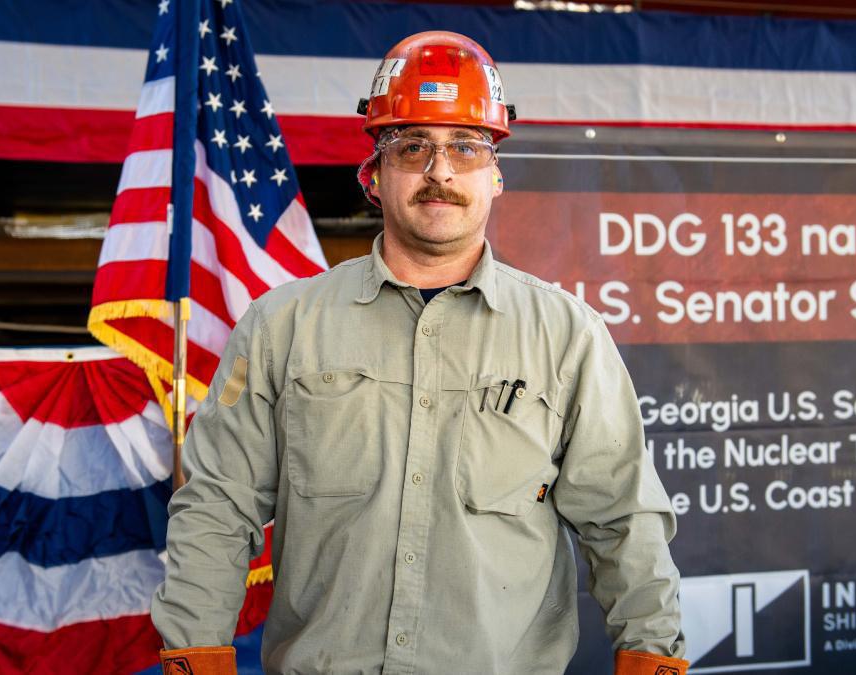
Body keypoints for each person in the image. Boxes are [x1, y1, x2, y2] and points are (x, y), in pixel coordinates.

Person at [152, 30, 688, 675]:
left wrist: (654, 660)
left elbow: (624, 520)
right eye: (412, 147)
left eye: (466, 147)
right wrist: (195, 658)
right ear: (374, 177)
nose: (441, 171)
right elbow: (216, 508)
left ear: (495, 177)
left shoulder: (568, 335)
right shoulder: (281, 327)